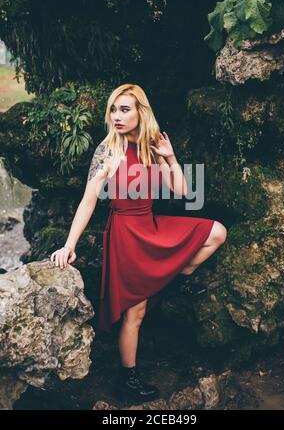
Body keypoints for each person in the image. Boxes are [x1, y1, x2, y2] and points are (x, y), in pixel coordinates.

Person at [50, 83, 227, 404]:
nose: (117, 116)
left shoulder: (150, 145)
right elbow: (89, 200)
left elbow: (182, 192)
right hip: (126, 234)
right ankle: (127, 379)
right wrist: (69, 244)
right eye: (114, 110)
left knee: (216, 232)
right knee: (136, 312)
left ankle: (180, 279)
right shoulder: (107, 151)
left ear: (140, 112)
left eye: (125, 109)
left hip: (151, 225)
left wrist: (170, 159)